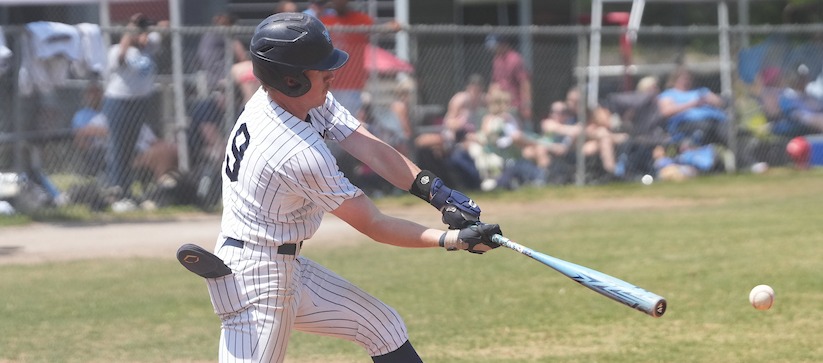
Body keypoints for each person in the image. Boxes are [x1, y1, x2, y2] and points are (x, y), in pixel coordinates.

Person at [177, 13, 502, 363]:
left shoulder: (287, 101)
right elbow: (373, 224)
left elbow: (367, 145)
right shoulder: (295, 152)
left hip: (284, 264)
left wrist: (436, 192)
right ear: (292, 79)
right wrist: (453, 239)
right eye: (321, 68)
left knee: (383, 326)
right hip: (258, 282)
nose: (332, 74)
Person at [102, 13, 164, 200]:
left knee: (131, 147)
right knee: (117, 146)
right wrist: (130, 33)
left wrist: (145, 27)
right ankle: (117, 189)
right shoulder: (117, 50)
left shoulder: (148, 48)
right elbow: (120, 59)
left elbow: (163, 28)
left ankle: (127, 189)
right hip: (118, 101)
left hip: (140, 102)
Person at [320, 0, 375, 117]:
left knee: (347, 121)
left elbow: (378, 30)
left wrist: (391, 26)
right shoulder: (325, 21)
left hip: (352, 83)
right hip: (330, 82)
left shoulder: (361, 20)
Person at [657, 67, 728, 146]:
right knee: (705, 127)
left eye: (689, 79)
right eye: (684, 79)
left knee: (730, 132)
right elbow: (666, 112)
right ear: (675, 80)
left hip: (716, 120)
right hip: (687, 124)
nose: (687, 81)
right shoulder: (669, 94)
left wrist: (711, 100)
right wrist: (692, 104)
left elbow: (721, 103)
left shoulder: (701, 90)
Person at [486, 34, 533, 128]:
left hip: (514, 104)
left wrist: (527, 105)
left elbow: (524, 82)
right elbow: (495, 81)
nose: (493, 49)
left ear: (503, 45)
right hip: (500, 104)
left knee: (514, 129)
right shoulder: (496, 59)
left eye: (496, 46)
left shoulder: (515, 59)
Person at [196, 13, 248, 93]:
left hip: (210, 75)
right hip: (223, 74)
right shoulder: (224, 33)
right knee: (249, 69)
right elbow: (242, 56)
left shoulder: (208, 34)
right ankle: (250, 103)